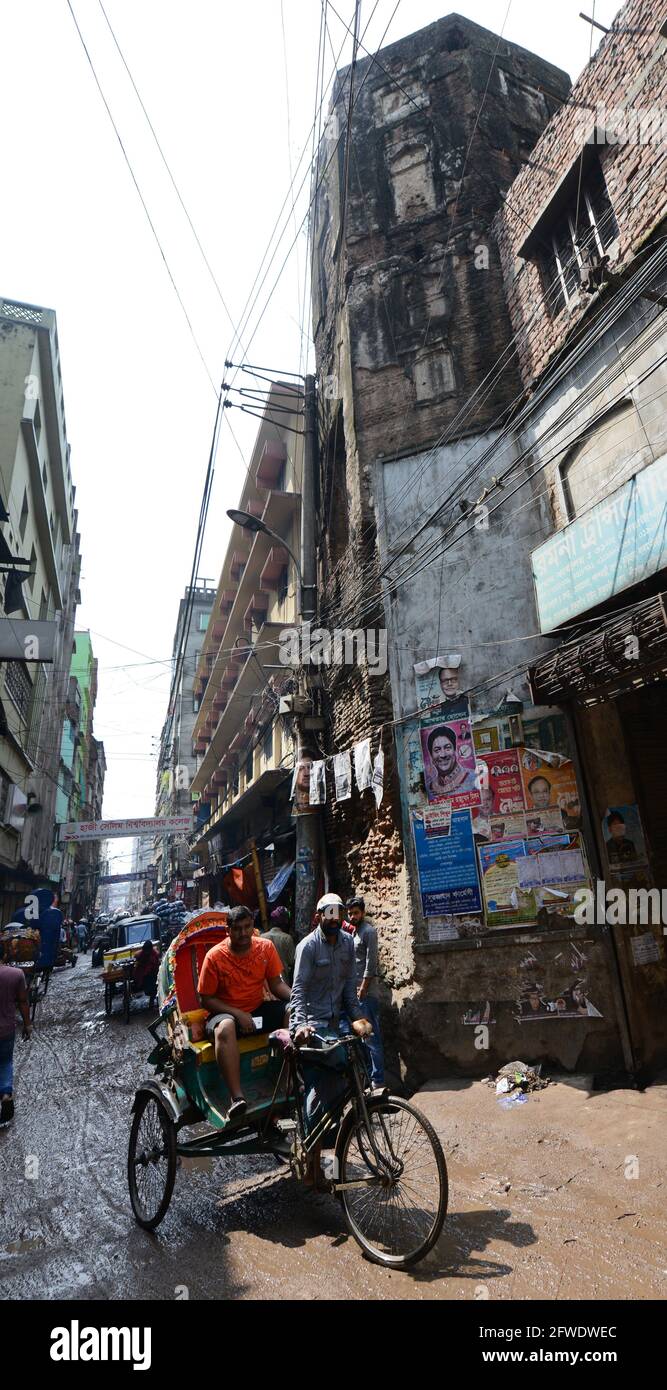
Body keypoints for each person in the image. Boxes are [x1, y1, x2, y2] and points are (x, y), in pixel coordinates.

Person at [198, 905, 290, 1122]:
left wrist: (296, 998)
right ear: (227, 930)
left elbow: (276, 985)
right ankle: (237, 1097)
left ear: (253, 927)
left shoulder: (266, 948)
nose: (243, 933)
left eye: (247, 927)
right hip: (223, 1013)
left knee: (291, 1011)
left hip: (256, 1011)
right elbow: (206, 999)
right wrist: (237, 1013)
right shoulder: (215, 957)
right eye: (237, 928)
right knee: (227, 1026)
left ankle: (286, 1081)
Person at [290, 893, 372, 1138]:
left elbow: (349, 989)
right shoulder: (308, 946)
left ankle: (332, 1126)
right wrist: (300, 1025)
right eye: (329, 913)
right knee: (337, 1062)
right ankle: (308, 1139)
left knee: (361, 1055)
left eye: (338, 912)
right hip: (313, 1026)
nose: (334, 918)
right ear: (319, 917)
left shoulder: (348, 943)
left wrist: (358, 1018)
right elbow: (299, 990)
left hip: (336, 1023)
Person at [342, 896, 384, 1085]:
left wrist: (364, 988)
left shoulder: (369, 931)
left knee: (371, 1039)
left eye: (356, 913)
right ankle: (368, 1078)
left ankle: (378, 1080)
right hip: (355, 994)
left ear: (363, 913)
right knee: (362, 1039)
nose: (352, 916)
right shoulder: (354, 932)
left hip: (366, 994)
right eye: (350, 913)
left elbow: (371, 963)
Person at [0, 938, 32, 1124]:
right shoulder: (16, 974)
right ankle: (5, 1093)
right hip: (6, 1030)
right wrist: (28, 1025)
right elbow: (23, 1002)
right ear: (4, 954)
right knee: (5, 1063)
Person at [424, 725, 478, 798]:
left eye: (447, 748)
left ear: (455, 751)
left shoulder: (475, 778)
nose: (443, 755)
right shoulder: (427, 790)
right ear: (431, 757)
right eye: (437, 750)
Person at [262, 906, 296, 984]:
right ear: (285, 923)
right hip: (283, 982)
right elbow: (292, 961)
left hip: (266, 982)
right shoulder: (287, 938)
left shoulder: (262, 937)